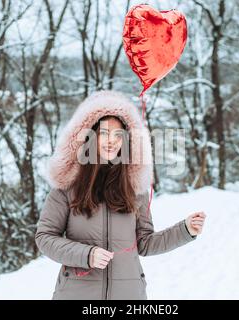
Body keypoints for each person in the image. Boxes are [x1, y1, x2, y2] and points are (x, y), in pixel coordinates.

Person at [35, 89, 206, 300]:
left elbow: (144, 243)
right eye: (104, 133)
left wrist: (185, 230)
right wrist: (86, 255)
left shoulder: (134, 189)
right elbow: (45, 237)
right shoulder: (67, 186)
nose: (111, 141)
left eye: (118, 135)